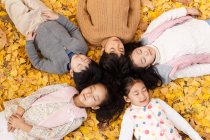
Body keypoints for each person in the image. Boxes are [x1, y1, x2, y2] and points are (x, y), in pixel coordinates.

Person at [125, 7, 210, 84]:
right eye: (143, 60)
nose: (145, 53)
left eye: (139, 51)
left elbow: (165, 17)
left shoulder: (150, 35)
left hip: (204, 25)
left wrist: (185, 11)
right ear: (147, 66)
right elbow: (193, 70)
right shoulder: (169, 67)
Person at [0, 83, 112, 140]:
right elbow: (37, 94)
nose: (89, 94)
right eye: (91, 89)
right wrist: (18, 114)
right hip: (13, 115)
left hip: (23, 135)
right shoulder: (66, 88)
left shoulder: (78, 118)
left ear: (95, 107)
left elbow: (51, 135)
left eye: (94, 97)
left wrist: (21, 125)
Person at [119, 77, 203, 140]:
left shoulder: (157, 103)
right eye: (136, 94)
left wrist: (196, 137)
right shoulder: (129, 115)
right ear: (127, 99)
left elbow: (178, 120)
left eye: (144, 90)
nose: (142, 96)